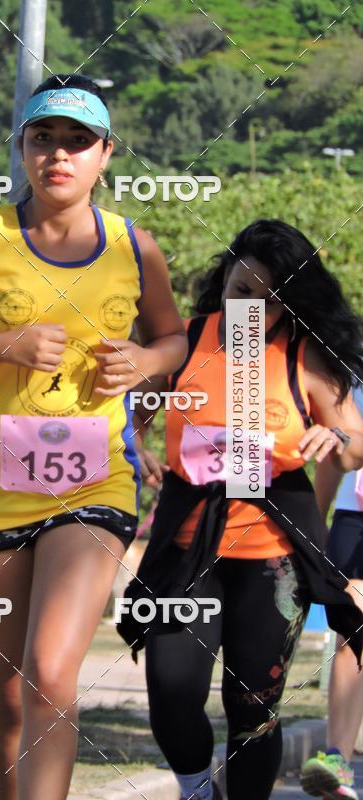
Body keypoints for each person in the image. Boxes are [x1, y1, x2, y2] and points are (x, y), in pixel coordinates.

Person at [0, 74, 187, 800]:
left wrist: (149, 362)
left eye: (77, 141)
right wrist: (1, 346)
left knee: (52, 671)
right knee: (8, 693)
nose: (59, 155)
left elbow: (174, 338)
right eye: (43, 139)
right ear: (23, 149)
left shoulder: (134, 246)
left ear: (105, 154)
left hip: (96, 482)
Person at [118, 219, 363, 800]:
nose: (253, 307)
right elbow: (130, 420)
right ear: (222, 281)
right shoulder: (185, 341)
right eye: (243, 291)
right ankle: (197, 787)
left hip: (271, 557)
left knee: (253, 706)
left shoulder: (304, 354)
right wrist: (138, 453)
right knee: (172, 690)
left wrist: (337, 442)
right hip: (188, 546)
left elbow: (353, 443)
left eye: (271, 298)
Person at [301, 383, 363, 800]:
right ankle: (336, 762)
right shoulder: (354, 382)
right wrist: (313, 524)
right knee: (352, 632)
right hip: (355, 513)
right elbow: (334, 454)